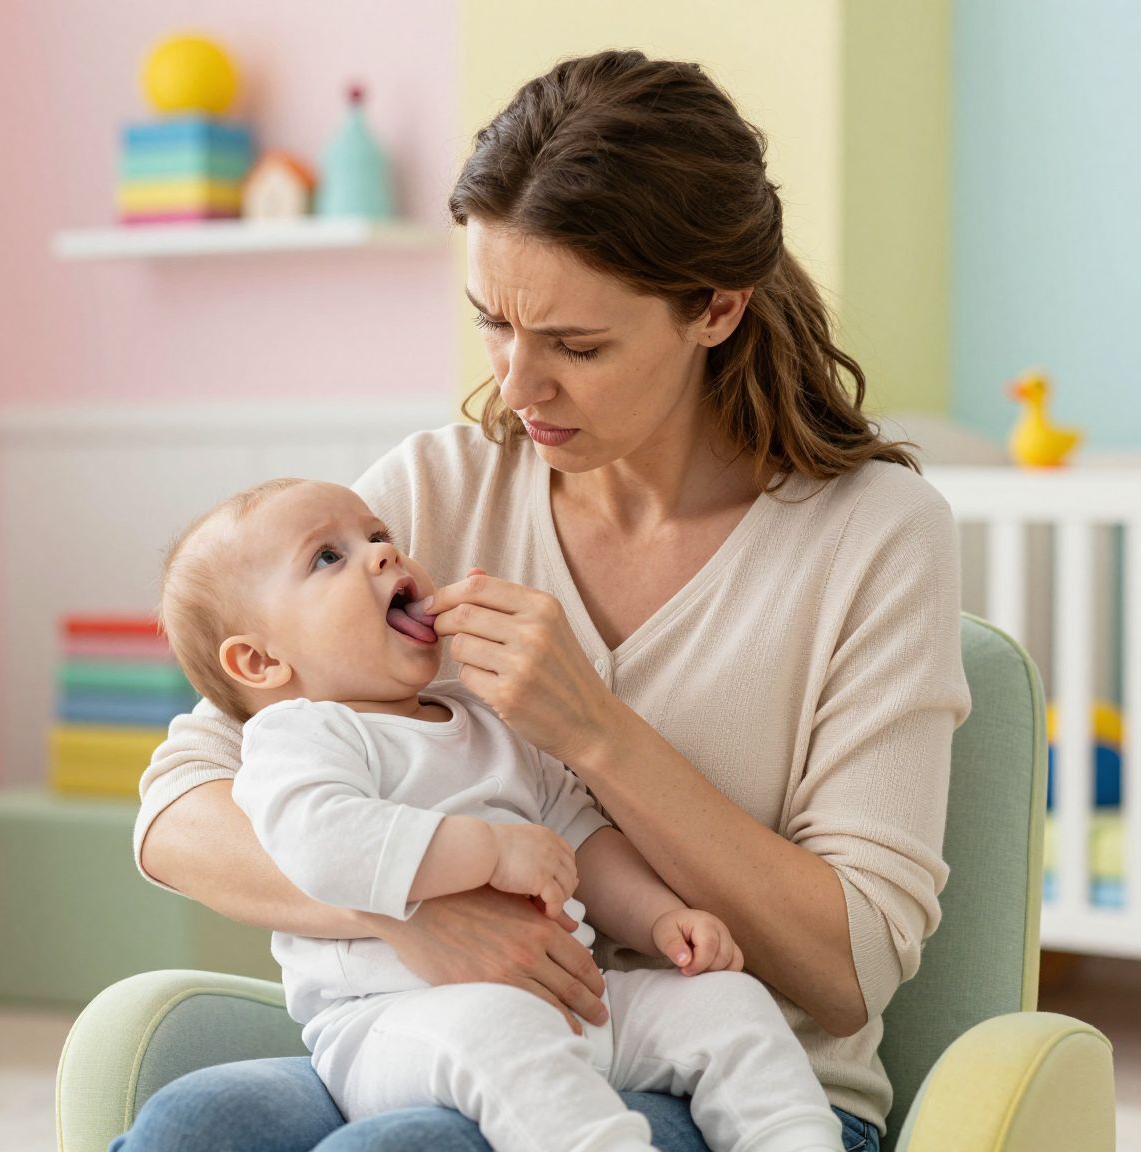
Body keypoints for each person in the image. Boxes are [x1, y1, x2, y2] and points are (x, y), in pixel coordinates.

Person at [115, 48, 971, 1152]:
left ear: (713, 308)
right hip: (450, 1034)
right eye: (494, 324)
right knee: (196, 1124)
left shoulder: (871, 537)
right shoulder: (434, 491)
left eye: (575, 344)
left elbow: (848, 969)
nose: (517, 389)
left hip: (747, 1090)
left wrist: (593, 731)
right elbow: (183, 804)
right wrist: (421, 913)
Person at [153, 476, 846, 1152]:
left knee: (727, 1004)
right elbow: (323, 845)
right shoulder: (300, 738)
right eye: (327, 557)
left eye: (377, 534)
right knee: (490, 1032)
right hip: (397, 1025)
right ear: (260, 661)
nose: (384, 553)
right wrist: (489, 852)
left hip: (578, 1004)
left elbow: (581, 838)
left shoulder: (484, 717)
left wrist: (661, 917)